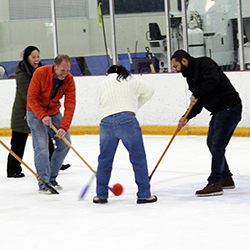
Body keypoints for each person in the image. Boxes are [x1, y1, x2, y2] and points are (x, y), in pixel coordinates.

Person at [171, 49, 242, 197]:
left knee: (217, 144)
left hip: (229, 107)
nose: (176, 70)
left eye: (176, 66)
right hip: (219, 111)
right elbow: (198, 103)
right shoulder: (189, 77)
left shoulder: (204, 64)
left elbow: (212, 81)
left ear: (184, 61)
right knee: (212, 143)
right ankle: (226, 177)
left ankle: (215, 182)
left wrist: (196, 93)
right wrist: (186, 117)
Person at [94, 65, 157, 204]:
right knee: (138, 158)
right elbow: (150, 90)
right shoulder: (129, 78)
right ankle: (144, 194)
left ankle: (101, 195)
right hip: (127, 119)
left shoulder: (103, 83)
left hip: (106, 121)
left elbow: (99, 104)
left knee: (104, 160)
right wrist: (134, 106)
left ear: (107, 73)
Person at [26, 54, 76, 194]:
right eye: (62, 70)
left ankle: (52, 178)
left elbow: (70, 105)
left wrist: (63, 127)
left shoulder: (69, 80)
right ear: (55, 66)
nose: (65, 74)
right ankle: (44, 182)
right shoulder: (40, 73)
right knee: (41, 147)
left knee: (65, 143)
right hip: (35, 112)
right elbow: (31, 98)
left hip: (54, 112)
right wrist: (42, 115)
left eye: (67, 70)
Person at [7, 46, 42, 178]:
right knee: (18, 141)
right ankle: (13, 169)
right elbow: (27, 95)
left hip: (37, 109)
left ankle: (53, 163)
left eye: (38, 56)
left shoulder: (40, 70)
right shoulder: (21, 73)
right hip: (22, 112)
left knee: (46, 139)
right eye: (33, 56)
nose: (36, 59)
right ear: (27, 58)